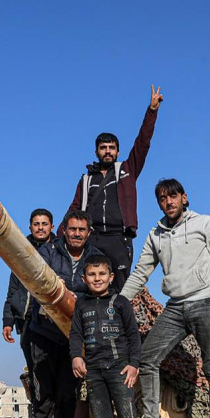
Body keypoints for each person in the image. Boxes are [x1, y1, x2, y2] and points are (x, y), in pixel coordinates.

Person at [121, 178, 210, 418]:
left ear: (184, 198)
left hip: (206, 301)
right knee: (147, 358)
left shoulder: (204, 223)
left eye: (173, 196)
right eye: (162, 198)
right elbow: (140, 273)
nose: (168, 202)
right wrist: (118, 303)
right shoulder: (155, 235)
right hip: (175, 307)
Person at [63, 85, 164, 293]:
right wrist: (57, 239)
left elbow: (143, 143)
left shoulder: (128, 170)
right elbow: (74, 210)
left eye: (111, 148)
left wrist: (151, 111)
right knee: (91, 286)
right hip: (93, 238)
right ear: (97, 151)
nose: (107, 151)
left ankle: (119, 325)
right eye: (103, 148)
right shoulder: (86, 179)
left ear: (118, 151)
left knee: (120, 290)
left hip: (119, 238)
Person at [25, 209, 101, 418]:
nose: (77, 234)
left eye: (81, 230)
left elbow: (100, 287)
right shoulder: (49, 252)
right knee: (43, 392)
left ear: (88, 232)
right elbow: (33, 274)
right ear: (64, 231)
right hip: (43, 333)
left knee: (67, 393)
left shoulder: (94, 257)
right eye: (72, 229)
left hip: (73, 338)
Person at [70, 253, 150, 418]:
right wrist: (76, 356)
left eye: (102, 274)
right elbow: (76, 334)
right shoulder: (81, 305)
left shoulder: (121, 303)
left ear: (111, 276)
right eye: (92, 274)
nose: (97, 279)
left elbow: (134, 336)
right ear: (84, 278)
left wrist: (134, 364)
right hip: (94, 371)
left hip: (119, 370)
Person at [1, 208, 55, 408]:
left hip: (51, 321)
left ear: (52, 227)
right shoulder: (20, 251)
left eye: (44, 224)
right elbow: (12, 290)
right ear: (30, 227)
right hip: (26, 321)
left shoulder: (58, 250)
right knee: (34, 372)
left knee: (52, 371)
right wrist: (8, 320)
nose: (40, 228)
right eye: (36, 224)